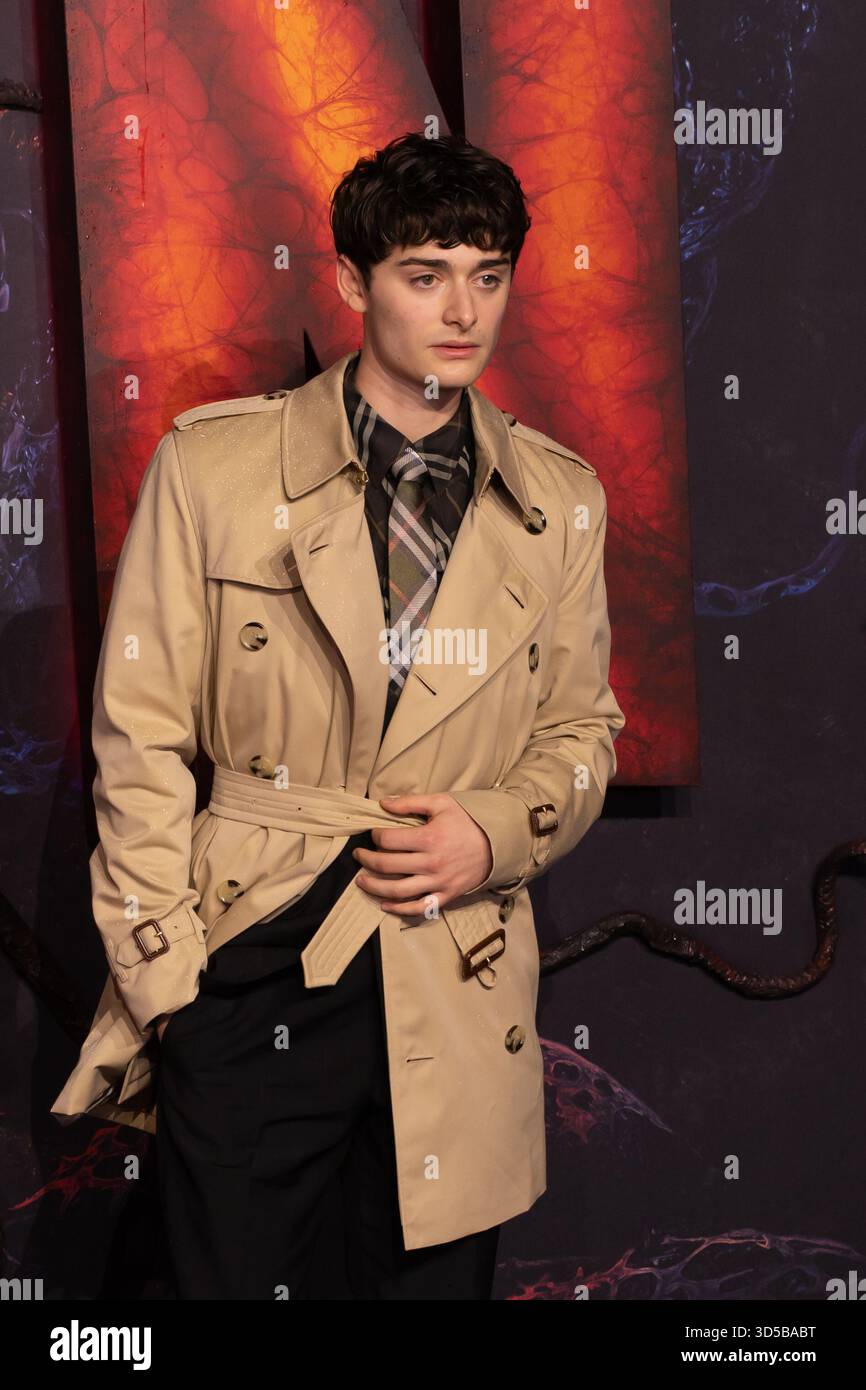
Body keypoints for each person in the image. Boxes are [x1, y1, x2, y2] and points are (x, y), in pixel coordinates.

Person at [52, 131, 626, 1300]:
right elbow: (140, 726)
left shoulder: (559, 500)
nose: (461, 309)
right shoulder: (213, 469)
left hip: (450, 953)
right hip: (253, 950)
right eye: (425, 274)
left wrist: (492, 830)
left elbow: (581, 730)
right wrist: (167, 979)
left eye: (487, 272)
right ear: (353, 283)